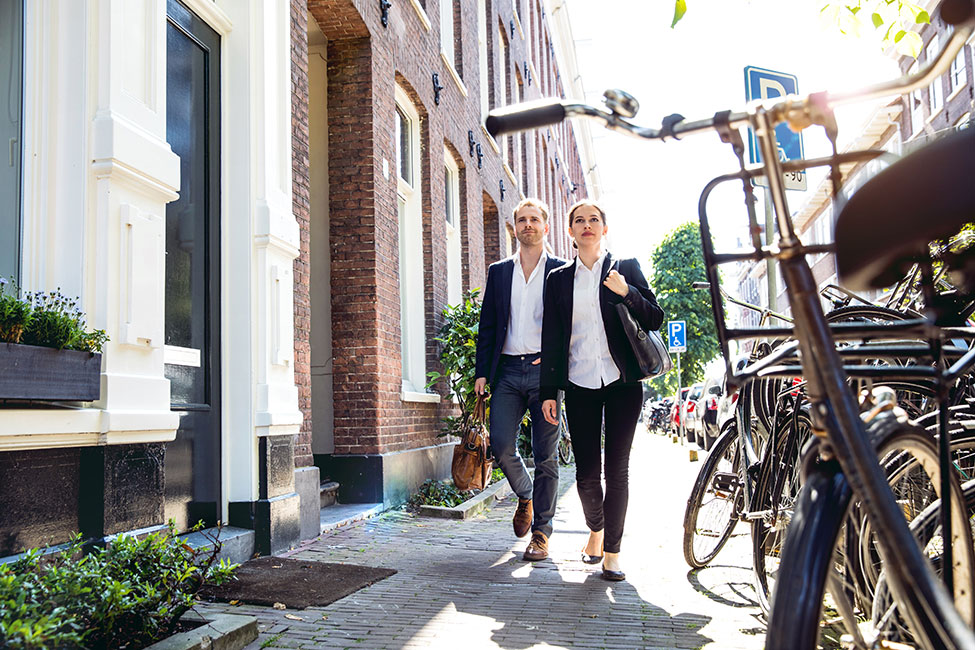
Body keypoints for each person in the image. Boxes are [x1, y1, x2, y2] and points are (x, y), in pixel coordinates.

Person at [540, 199, 664, 581]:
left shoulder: (625, 267)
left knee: (618, 470)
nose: (587, 225)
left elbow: (655, 316)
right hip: (580, 384)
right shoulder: (558, 279)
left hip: (623, 382)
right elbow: (553, 337)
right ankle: (596, 528)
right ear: (570, 231)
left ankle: (612, 552)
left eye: (594, 219)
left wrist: (627, 291)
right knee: (586, 476)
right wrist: (549, 391)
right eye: (579, 220)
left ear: (604, 228)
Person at [474, 198, 567, 561]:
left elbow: (570, 323)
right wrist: (483, 372)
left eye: (534, 219)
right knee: (500, 444)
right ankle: (526, 494)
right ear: (514, 227)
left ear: (545, 226)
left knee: (546, 455)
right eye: (521, 220)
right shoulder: (499, 272)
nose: (528, 225)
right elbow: (489, 326)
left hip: (546, 375)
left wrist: (556, 360)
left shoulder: (560, 270)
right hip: (509, 371)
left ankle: (541, 533)